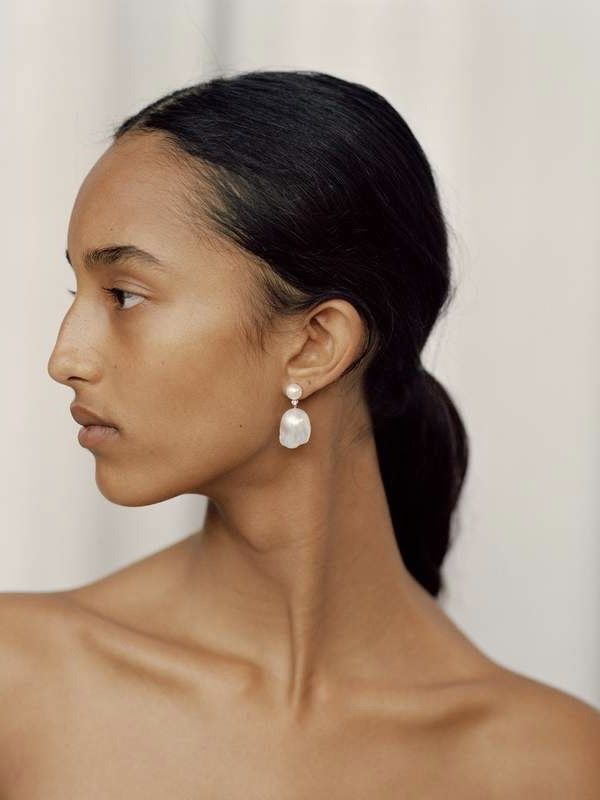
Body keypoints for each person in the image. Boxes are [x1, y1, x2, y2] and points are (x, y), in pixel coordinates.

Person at [2, 69, 598, 797]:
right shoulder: (18, 684)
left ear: (315, 345)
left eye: (124, 295)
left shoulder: (553, 765)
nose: (65, 358)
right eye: (78, 293)